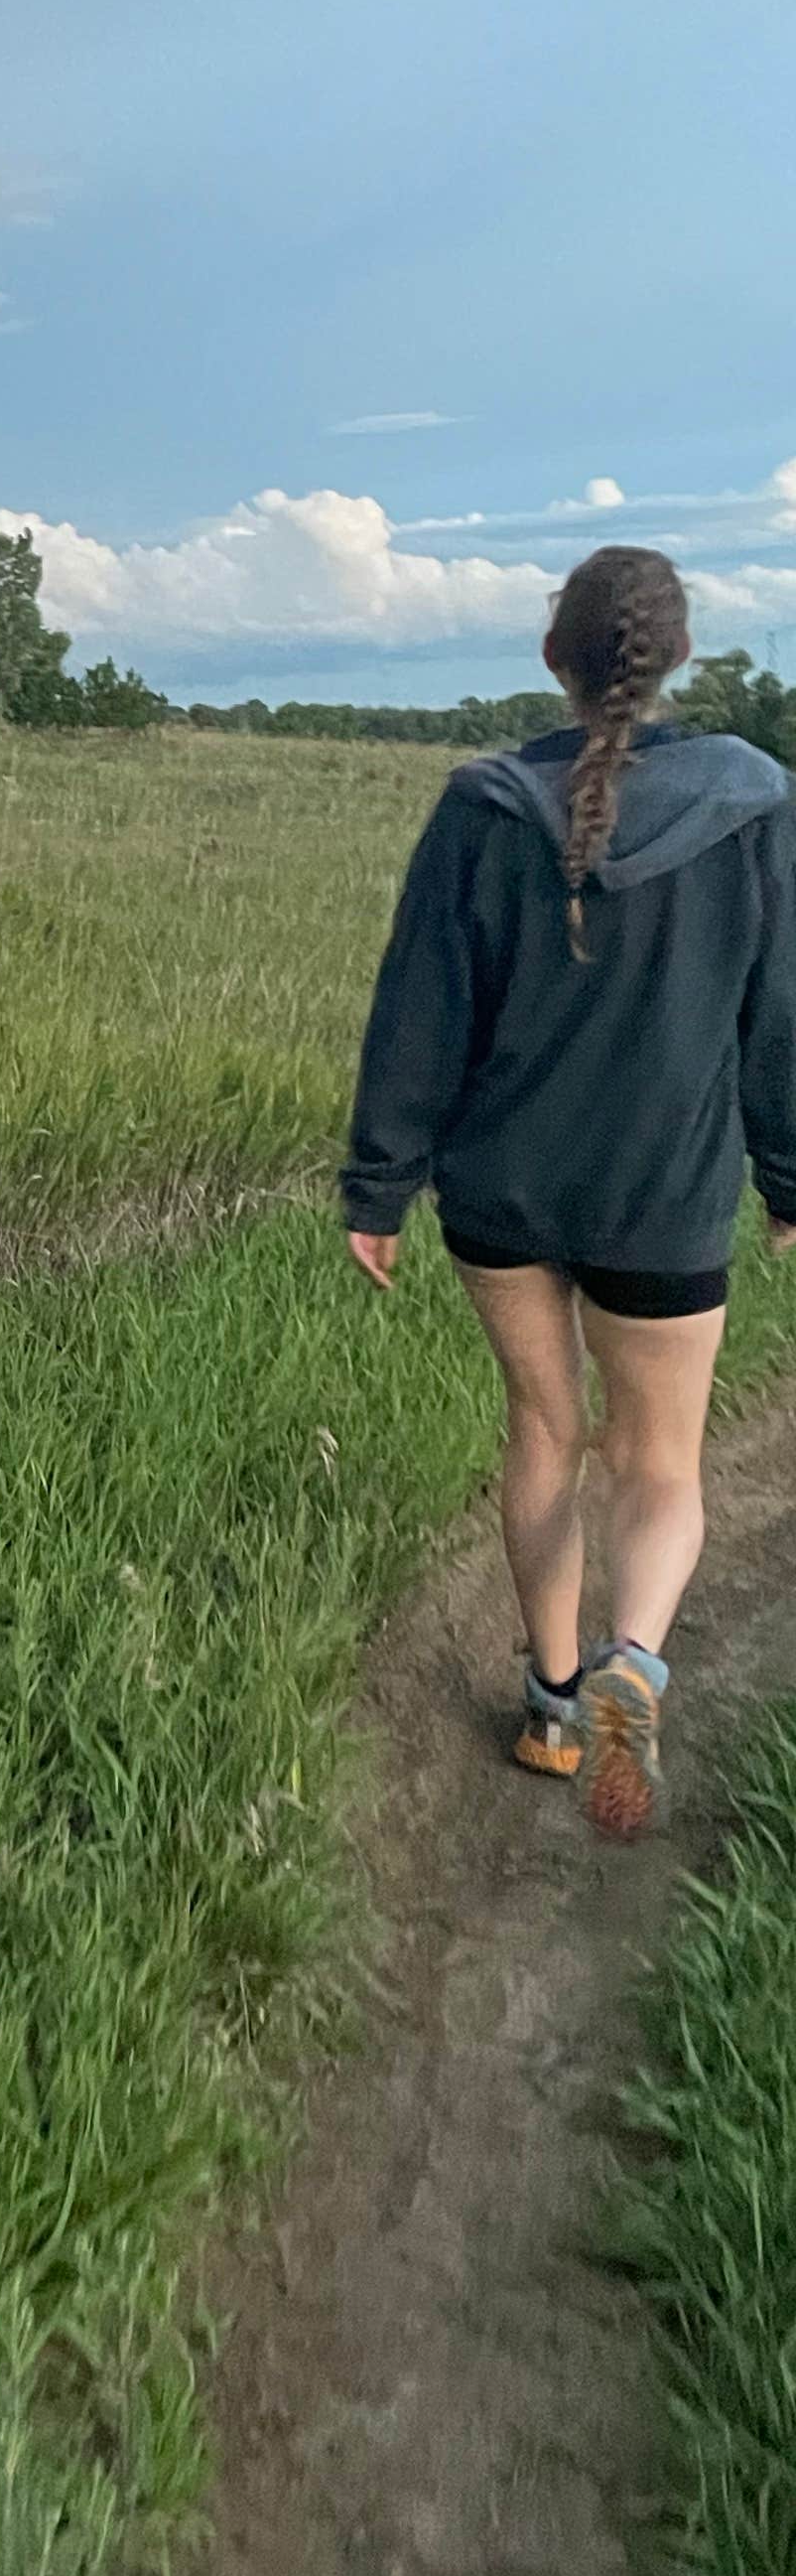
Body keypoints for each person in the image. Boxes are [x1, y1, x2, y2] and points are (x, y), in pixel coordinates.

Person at [342, 546, 796, 1838]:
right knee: (661, 1464)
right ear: (683, 658)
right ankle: (633, 1667)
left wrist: (380, 1184)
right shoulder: (758, 804)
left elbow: (419, 1013)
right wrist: (790, 1174)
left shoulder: (483, 806)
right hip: (665, 1199)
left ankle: (549, 1706)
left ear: (556, 657)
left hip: (502, 1197)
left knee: (546, 1434)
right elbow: (782, 1019)